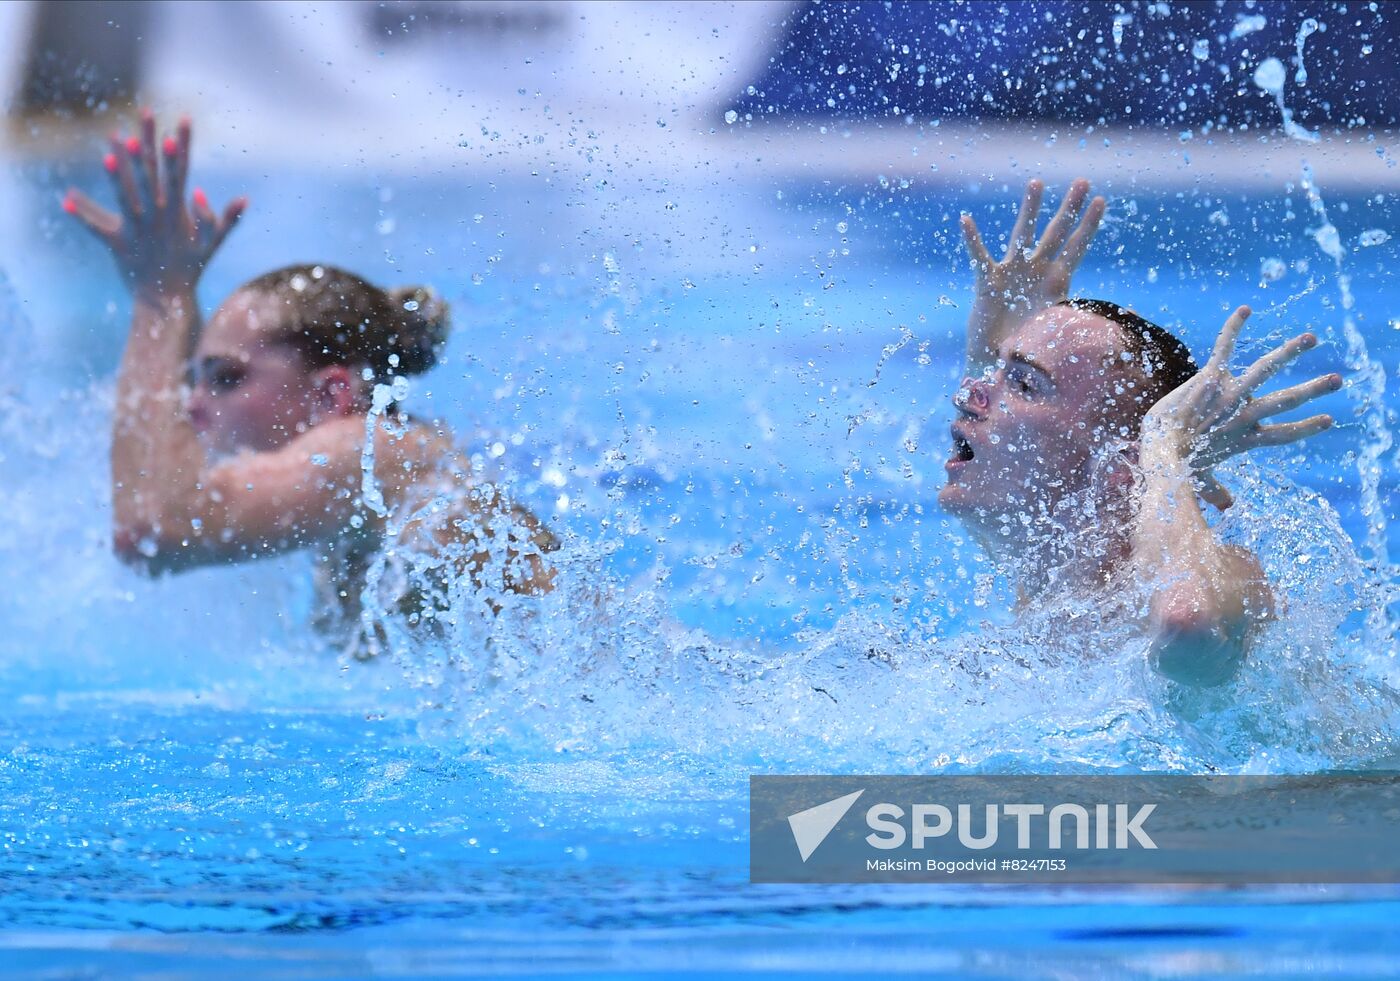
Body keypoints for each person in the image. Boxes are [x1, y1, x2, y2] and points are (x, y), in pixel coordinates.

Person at [65, 112, 554, 652]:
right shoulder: (376, 483)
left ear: (331, 395)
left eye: (226, 379)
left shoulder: (372, 455)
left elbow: (153, 529)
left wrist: (163, 296)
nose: (192, 407)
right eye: (195, 381)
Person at [947, 179, 1341, 687]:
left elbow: (1187, 625)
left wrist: (1164, 446)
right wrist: (999, 351)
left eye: (1023, 383)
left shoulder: (1229, 577)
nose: (965, 395)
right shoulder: (1056, 569)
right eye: (994, 375)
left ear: (1122, 463)